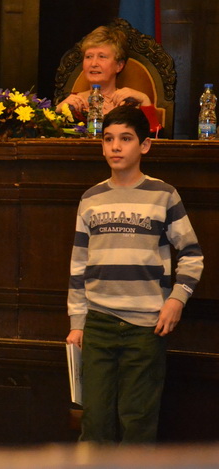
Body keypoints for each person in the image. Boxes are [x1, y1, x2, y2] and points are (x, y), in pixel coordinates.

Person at [66, 105, 203, 443]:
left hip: (146, 326)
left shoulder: (164, 195)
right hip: (98, 324)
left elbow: (191, 254)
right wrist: (77, 323)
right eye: (108, 139)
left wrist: (177, 300)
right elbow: (78, 266)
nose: (115, 146)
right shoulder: (91, 199)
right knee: (95, 422)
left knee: (138, 421)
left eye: (125, 139)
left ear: (144, 145)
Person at [56, 25, 161, 133]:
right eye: (89, 57)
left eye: (102, 57)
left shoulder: (131, 105)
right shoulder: (71, 104)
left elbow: (156, 139)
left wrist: (145, 100)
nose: (93, 64)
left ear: (119, 65)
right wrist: (57, 110)